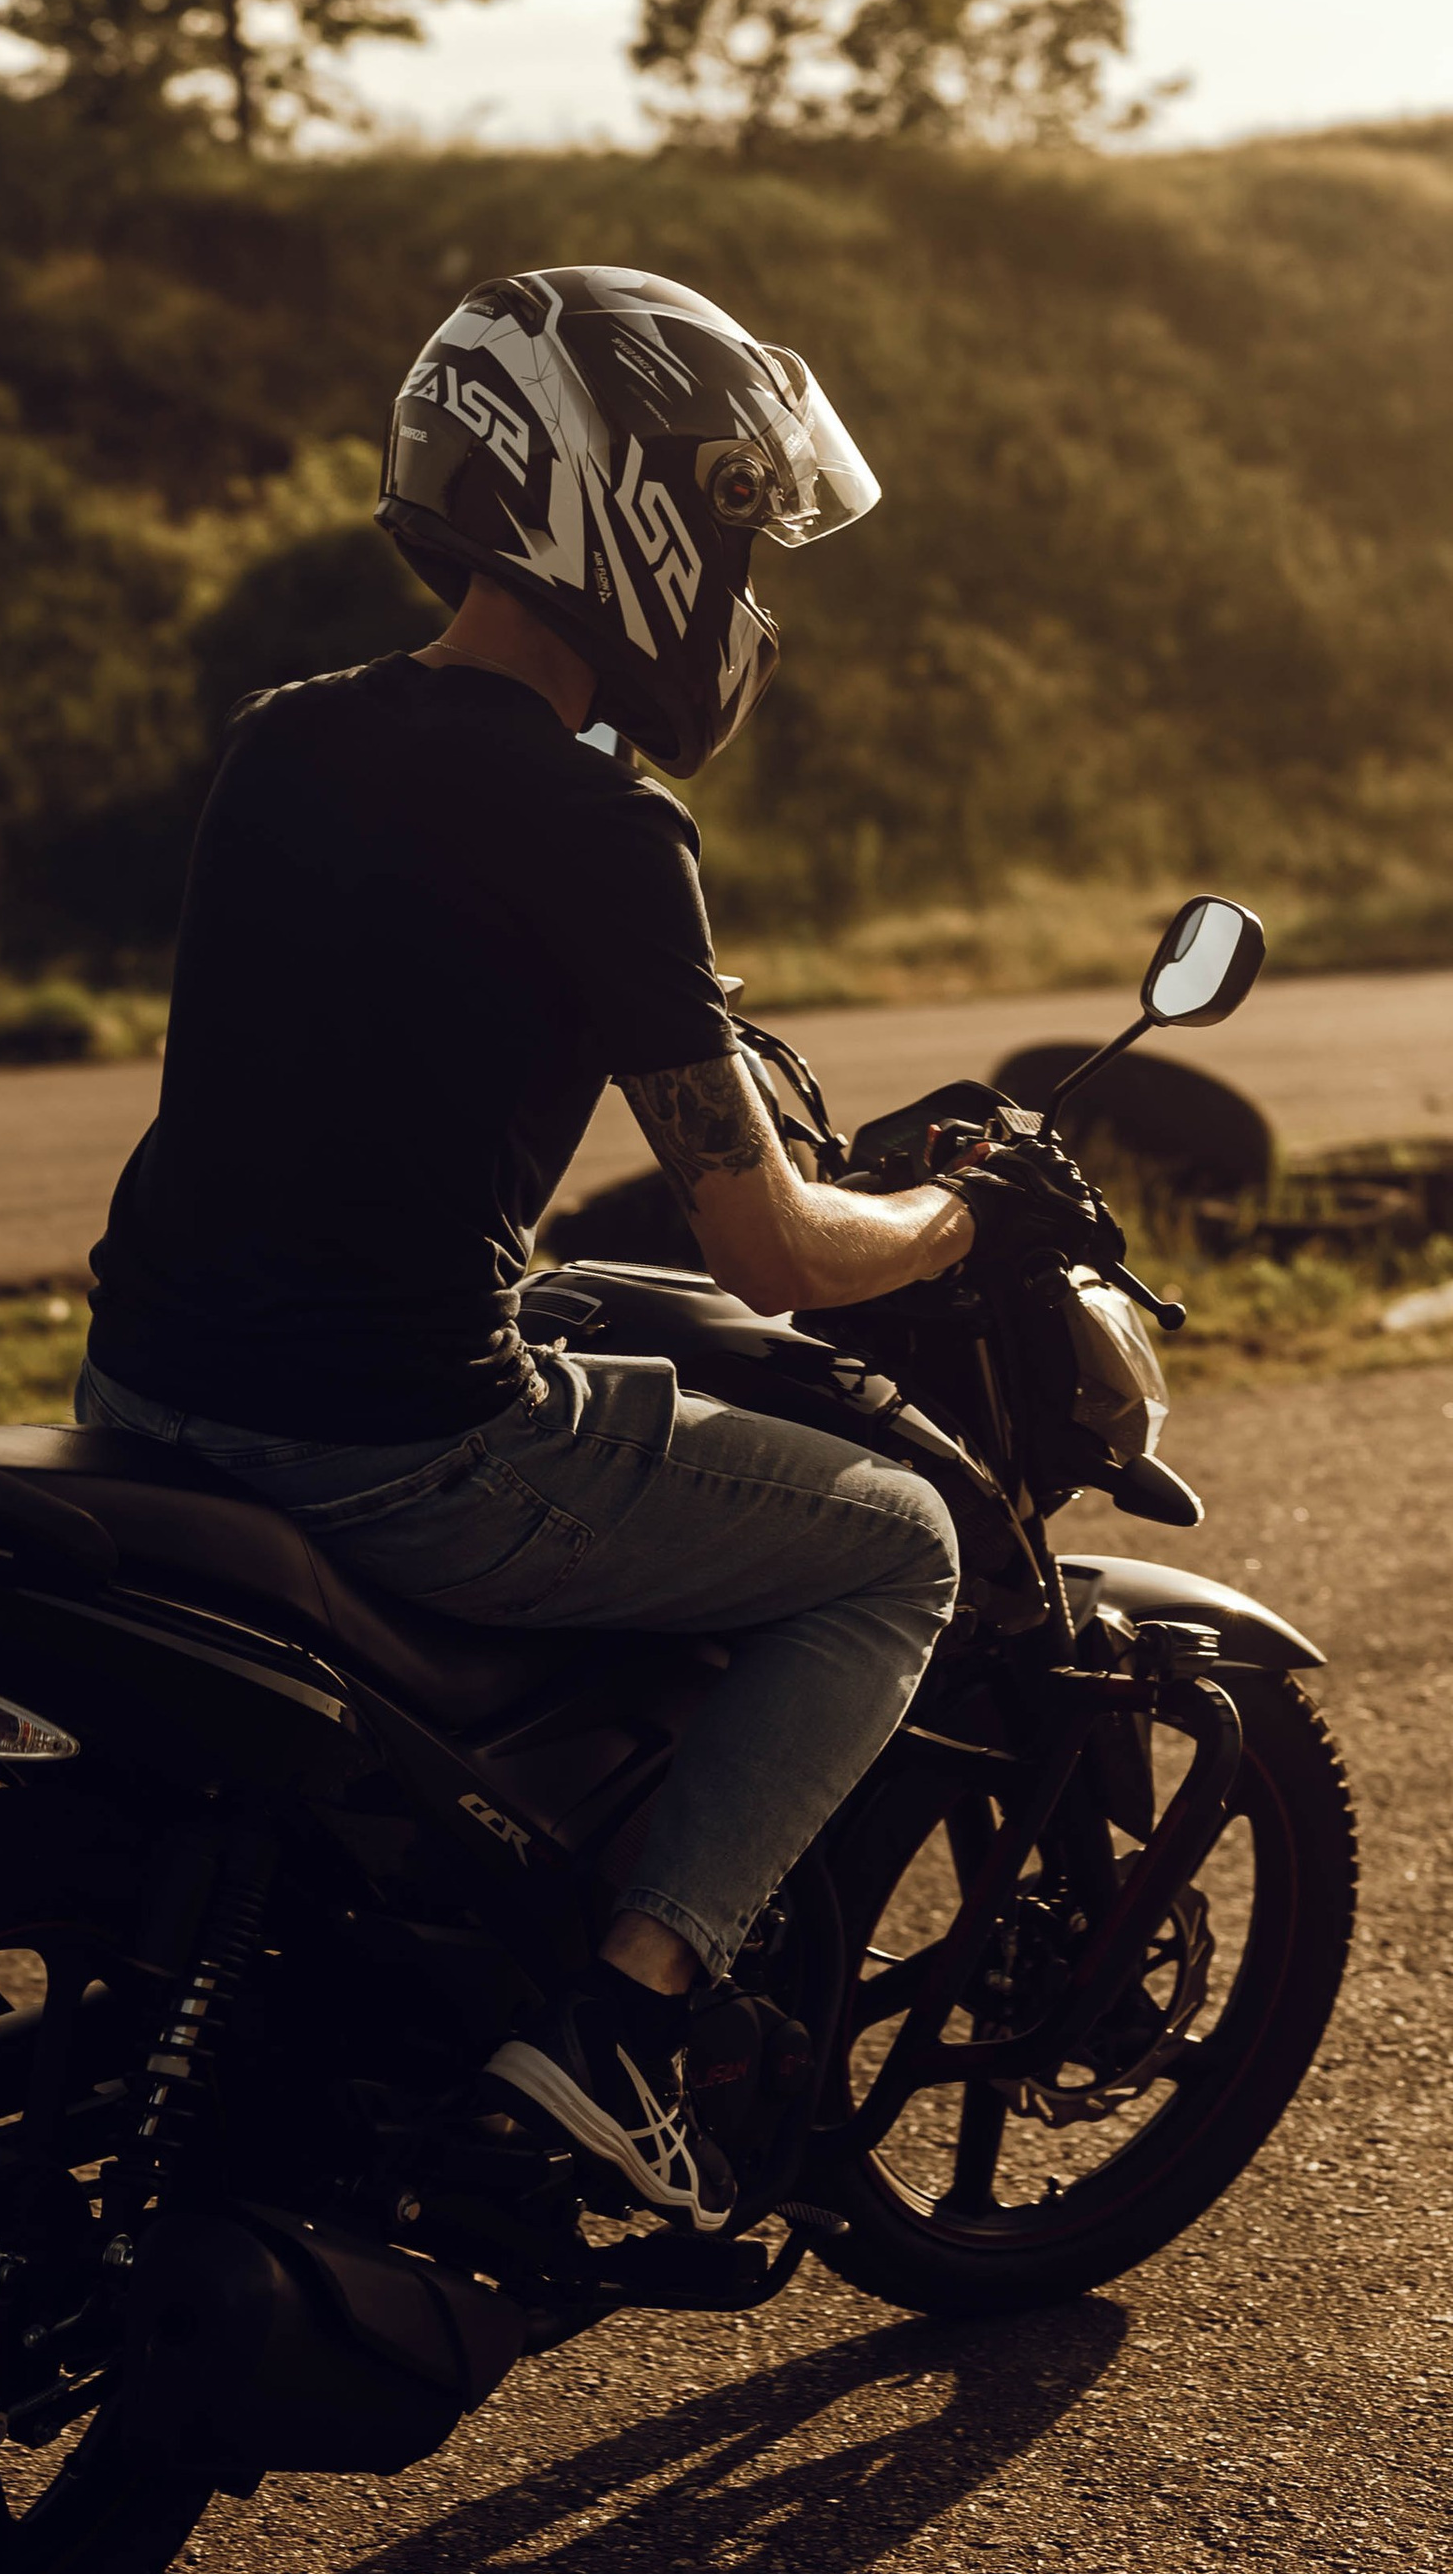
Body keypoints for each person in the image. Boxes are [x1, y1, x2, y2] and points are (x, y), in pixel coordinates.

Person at [79, 265, 1097, 2235]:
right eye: (724, 523)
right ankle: (620, 2028)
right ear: (621, 517)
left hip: (143, 1390)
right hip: (385, 1448)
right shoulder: (594, 831)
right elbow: (775, 1254)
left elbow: (358, 1101)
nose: (738, 583)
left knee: (572, 1325)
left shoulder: (283, 740)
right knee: (893, 1543)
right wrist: (960, 1210)